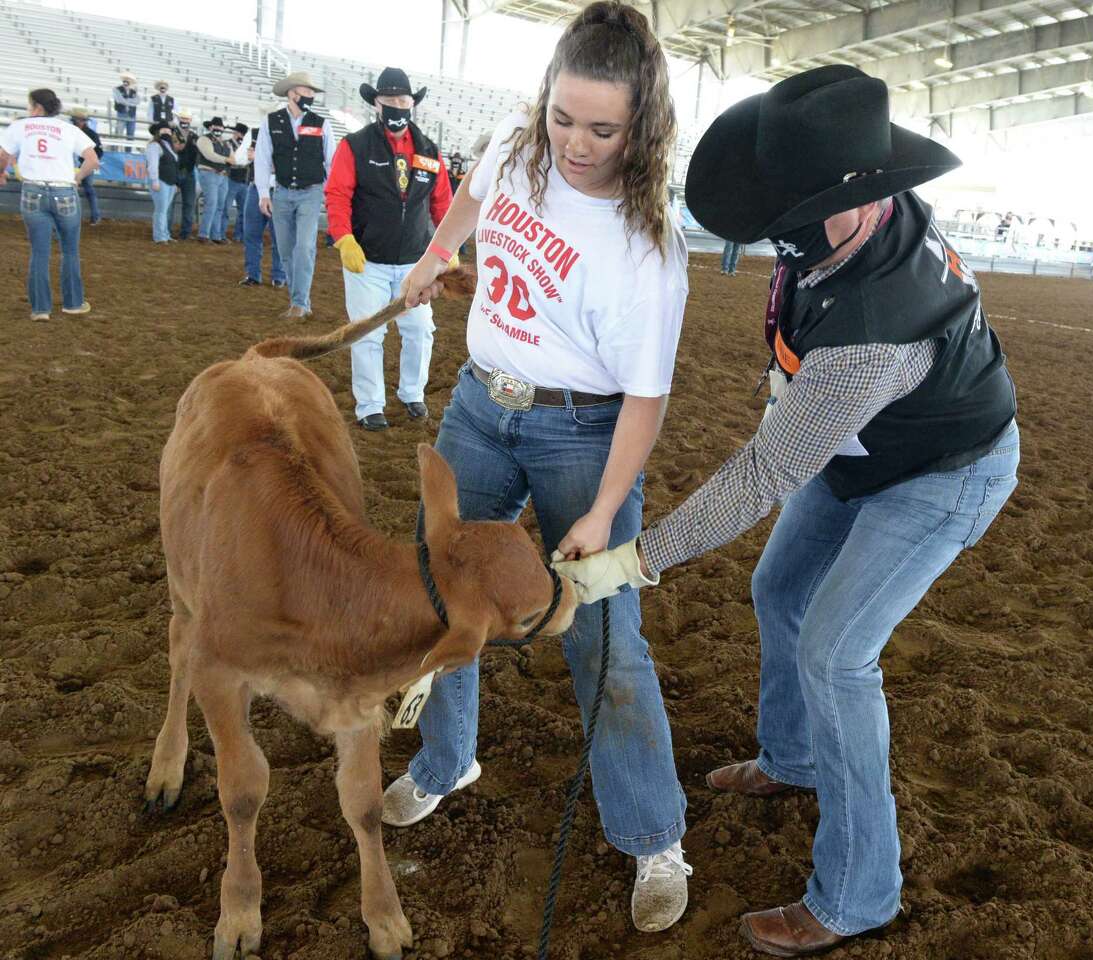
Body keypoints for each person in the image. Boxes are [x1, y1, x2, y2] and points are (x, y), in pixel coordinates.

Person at [553, 65, 1020, 957]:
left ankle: (857, 894)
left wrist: (634, 560)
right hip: (865, 449)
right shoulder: (856, 227)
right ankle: (793, 758)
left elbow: (764, 472)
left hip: (944, 471)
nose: (784, 240)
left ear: (855, 199)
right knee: (779, 589)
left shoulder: (876, 329)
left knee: (838, 655)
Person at [382, 2, 693, 934]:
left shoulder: (648, 249)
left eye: (603, 130)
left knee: (602, 632)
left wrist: (604, 509)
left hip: (584, 434)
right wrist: (439, 251)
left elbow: (646, 400)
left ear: (642, 127)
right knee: (440, 583)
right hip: (481, 403)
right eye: (564, 118)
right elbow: (473, 199)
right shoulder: (517, 146)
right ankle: (447, 761)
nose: (575, 145)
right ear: (545, 98)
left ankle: (653, 834)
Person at [325, 67, 451, 427]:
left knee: (420, 330)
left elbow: (443, 202)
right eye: (390, 100)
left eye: (403, 100)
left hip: (416, 262)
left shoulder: (428, 150)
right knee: (366, 332)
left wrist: (449, 246)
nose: (397, 105)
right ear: (376, 104)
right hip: (368, 261)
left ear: (412, 103)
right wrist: (344, 238)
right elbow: (337, 194)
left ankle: (413, 393)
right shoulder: (355, 146)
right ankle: (370, 405)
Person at [0, 88, 99, 320]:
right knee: (70, 250)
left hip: (33, 191)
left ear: (37, 107)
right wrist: (77, 178)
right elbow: (93, 160)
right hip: (64, 190)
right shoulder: (69, 129)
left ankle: (40, 309)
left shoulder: (20, 126)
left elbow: (2, 155)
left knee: (39, 252)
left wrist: (1, 173)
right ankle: (73, 303)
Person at [254, 71, 336, 319]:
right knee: (286, 249)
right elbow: (262, 158)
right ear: (292, 93)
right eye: (307, 91)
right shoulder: (271, 122)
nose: (310, 96)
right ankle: (299, 301)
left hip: (311, 192)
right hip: (281, 192)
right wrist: (263, 193)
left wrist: (330, 194)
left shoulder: (322, 124)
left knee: (304, 247)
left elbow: (331, 162)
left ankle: (299, 302)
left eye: (312, 92)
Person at [240, 129, 288, 288]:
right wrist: (251, 157)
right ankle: (253, 274)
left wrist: (260, 159)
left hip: (279, 189)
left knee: (279, 236)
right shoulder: (254, 133)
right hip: (257, 187)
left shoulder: (290, 133)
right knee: (251, 233)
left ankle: (279, 275)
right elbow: (240, 158)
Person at [195, 116, 235, 243]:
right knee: (212, 203)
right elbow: (209, 155)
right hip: (209, 173)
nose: (218, 129)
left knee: (219, 206)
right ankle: (204, 234)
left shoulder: (226, 142)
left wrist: (231, 160)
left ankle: (215, 235)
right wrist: (226, 159)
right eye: (216, 126)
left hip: (222, 175)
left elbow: (233, 157)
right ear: (210, 127)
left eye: (220, 127)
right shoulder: (204, 139)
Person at [145, 121, 179, 244]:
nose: (167, 132)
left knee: (164, 210)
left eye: (168, 130)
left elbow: (174, 166)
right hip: (160, 181)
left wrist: (175, 183)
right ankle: (159, 237)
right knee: (161, 210)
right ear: (157, 132)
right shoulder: (154, 145)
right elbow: (153, 165)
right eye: (164, 130)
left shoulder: (169, 146)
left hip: (169, 182)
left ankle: (165, 234)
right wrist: (155, 180)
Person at [68, 107, 103, 225]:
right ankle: (93, 216)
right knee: (85, 190)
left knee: (87, 190)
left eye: (81, 120)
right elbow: (99, 151)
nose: (80, 121)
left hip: (82, 164)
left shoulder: (90, 134)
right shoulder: (70, 131)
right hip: (73, 165)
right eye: (78, 119)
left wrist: (90, 162)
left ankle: (95, 216)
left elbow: (99, 152)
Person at [221, 123, 251, 242]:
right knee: (225, 208)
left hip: (244, 179)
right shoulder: (227, 144)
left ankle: (239, 235)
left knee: (243, 210)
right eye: (239, 133)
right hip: (231, 178)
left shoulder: (246, 146)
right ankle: (221, 234)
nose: (240, 135)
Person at [172, 113, 199, 240]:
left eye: (187, 119)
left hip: (189, 172)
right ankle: (165, 231)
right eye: (183, 118)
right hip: (174, 172)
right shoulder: (172, 133)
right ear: (179, 119)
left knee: (189, 203)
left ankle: (186, 233)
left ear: (190, 120)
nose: (185, 121)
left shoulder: (194, 136)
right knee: (169, 203)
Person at [112, 72, 139, 144]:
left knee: (131, 135)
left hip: (131, 115)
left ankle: (128, 150)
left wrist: (126, 100)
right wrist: (131, 101)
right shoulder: (117, 89)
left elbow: (137, 101)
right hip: (121, 114)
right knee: (118, 134)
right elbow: (119, 100)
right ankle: (115, 149)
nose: (126, 81)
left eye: (128, 79)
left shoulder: (133, 91)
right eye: (125, 79)